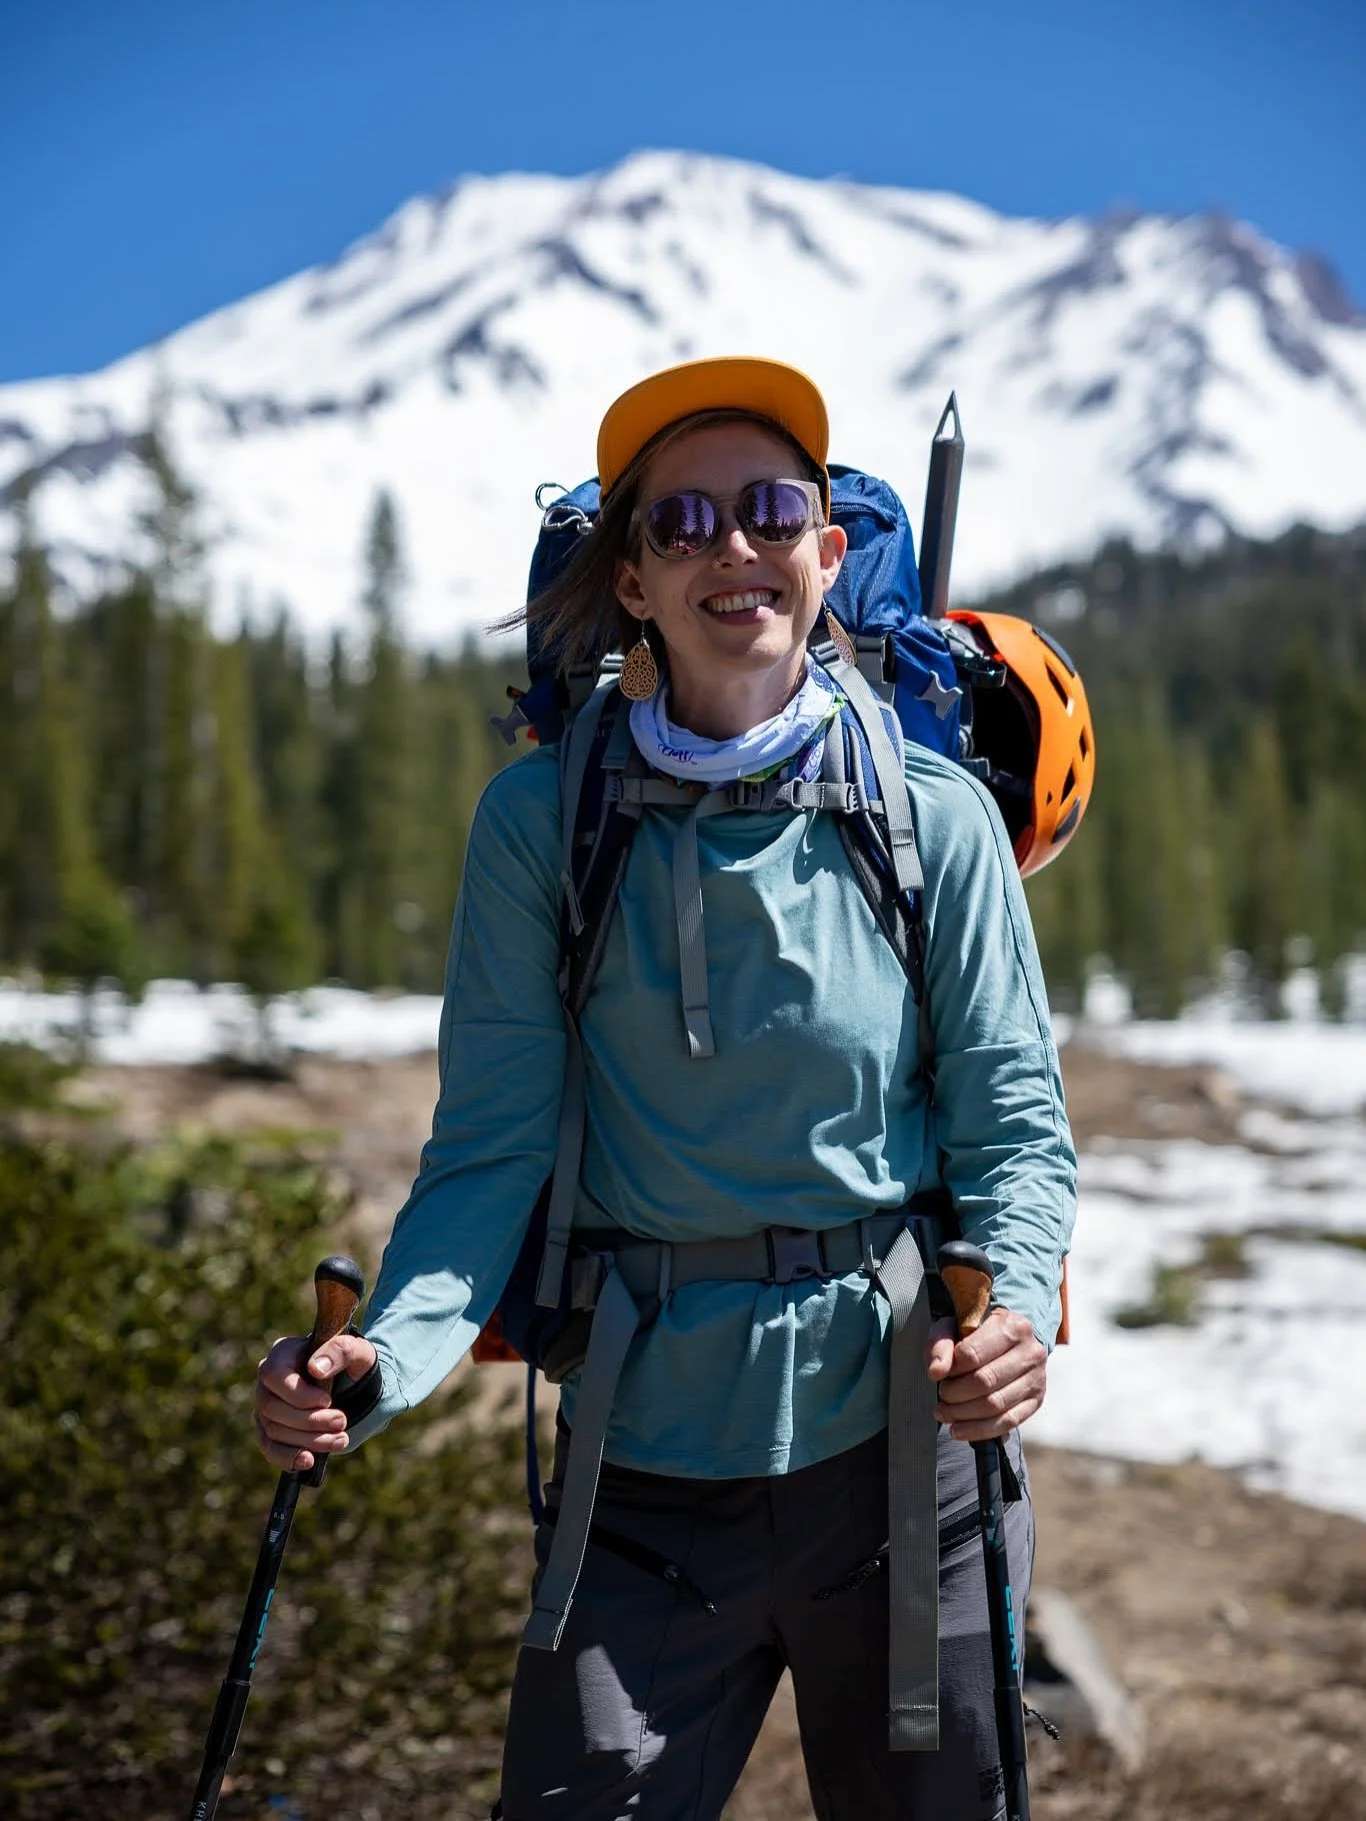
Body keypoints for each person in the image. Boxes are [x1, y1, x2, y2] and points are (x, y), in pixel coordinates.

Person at [254, 357, 1077, 1821]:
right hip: (636, 1473)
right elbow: (489, 1155)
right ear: (628, 579)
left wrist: (1007, 1310)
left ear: (826, 555)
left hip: (899, 1465)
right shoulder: (540, 821)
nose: (731, 547)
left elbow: (1013, 1125)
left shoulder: (930, 817)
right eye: (679, 522)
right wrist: (372, 1363)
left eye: (770, 510)